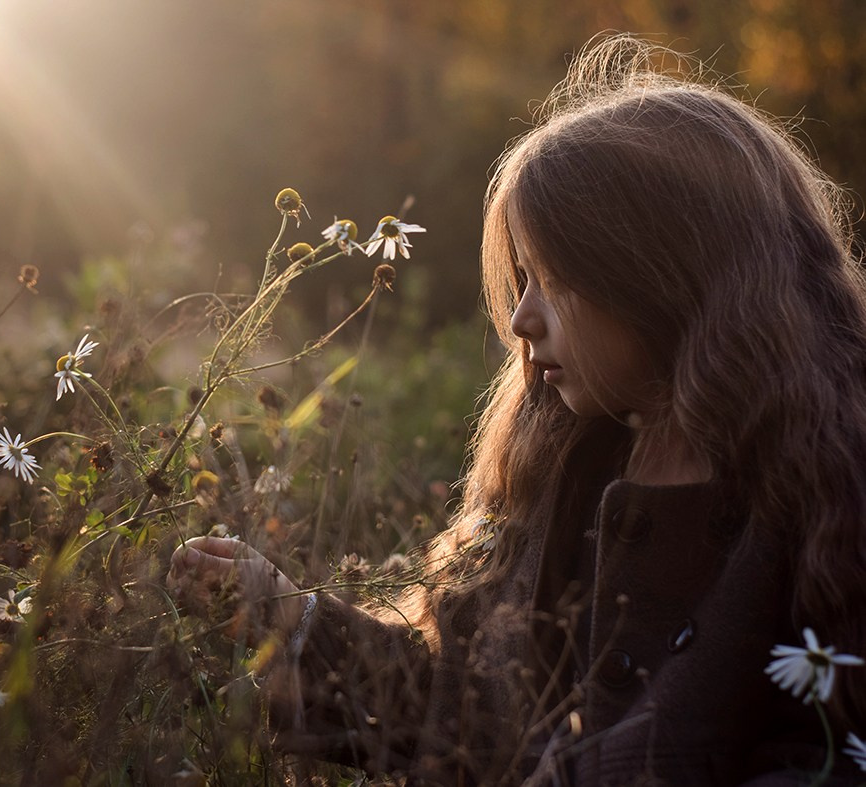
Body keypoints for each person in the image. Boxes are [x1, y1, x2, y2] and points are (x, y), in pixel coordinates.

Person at [167, 34, 866, 785]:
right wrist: (288, 614)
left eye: (555, 277)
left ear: (665, 278)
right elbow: (459, 710)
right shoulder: (565, 465)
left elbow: (822, 755)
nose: (521, 321)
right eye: (521, 277)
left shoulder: (824, 490)